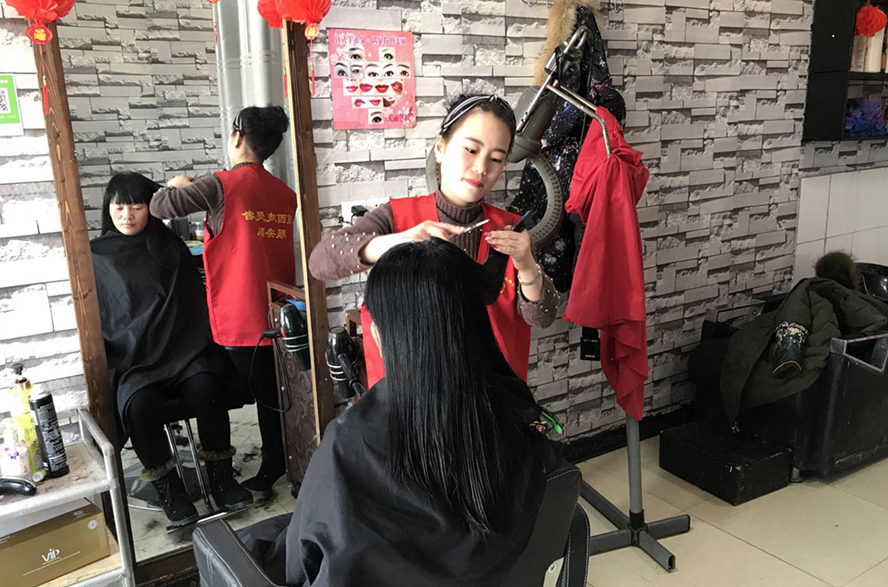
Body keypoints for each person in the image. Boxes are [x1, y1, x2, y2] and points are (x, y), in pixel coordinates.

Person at [242, 239, 558, 586]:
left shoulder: (347, 446)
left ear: (380, 334)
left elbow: (300, 568)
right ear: (476, 323)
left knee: (258, 540)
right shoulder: (519, 415)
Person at [310, 94, 559, 386]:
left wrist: (526, 265)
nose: (481, 167)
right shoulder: (396, 217)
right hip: (413, 395)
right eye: (471, 150)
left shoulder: (511, 231)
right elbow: (320, 261)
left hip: (490, 395)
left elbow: (542, 317)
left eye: (495, 159)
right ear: (440, 148)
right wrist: (398, 241)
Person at [91, 172, 253, 526]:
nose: (127, 215)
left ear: (152, 207)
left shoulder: (169, 245)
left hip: (183, 352)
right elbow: (106, 316)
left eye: (137, 206)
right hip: (135, 361)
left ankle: (221, 478)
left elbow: (191, 303)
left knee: (208, 387)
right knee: (139, 406)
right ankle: (170, 490)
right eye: (119, 207)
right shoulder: (95, 256)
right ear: (108, 208)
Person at [149, 106, 297, 492]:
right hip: (280, 308)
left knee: (243, 389)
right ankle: (279, 459)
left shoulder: (220, 184)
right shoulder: (286, 194)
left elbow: (160, 206)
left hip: (240, 310)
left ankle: (263, 465)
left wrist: (176, 184)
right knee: (272, 391)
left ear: (237, 137)